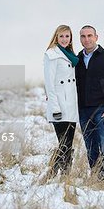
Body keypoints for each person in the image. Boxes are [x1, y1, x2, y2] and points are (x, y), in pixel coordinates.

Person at [75, 25, 104, 184]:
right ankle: (97, 179)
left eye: (89, 36)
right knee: (91, 147)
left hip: (102, 109)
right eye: (83, 36)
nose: (86, 39)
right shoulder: (77, 59)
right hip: (83, 110)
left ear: (96, 37)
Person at [43, 25, 79, 177]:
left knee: (68, 145)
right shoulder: (51, 54)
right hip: (59, 105)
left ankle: (65, 177)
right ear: (56, 37)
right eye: (61, 36)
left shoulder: (72, 55)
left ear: (71, 38)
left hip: (71, 104)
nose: (64, 39)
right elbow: (49, 83)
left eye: (67, 36)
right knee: (64, 144)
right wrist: (55, 107)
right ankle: (50, 173)